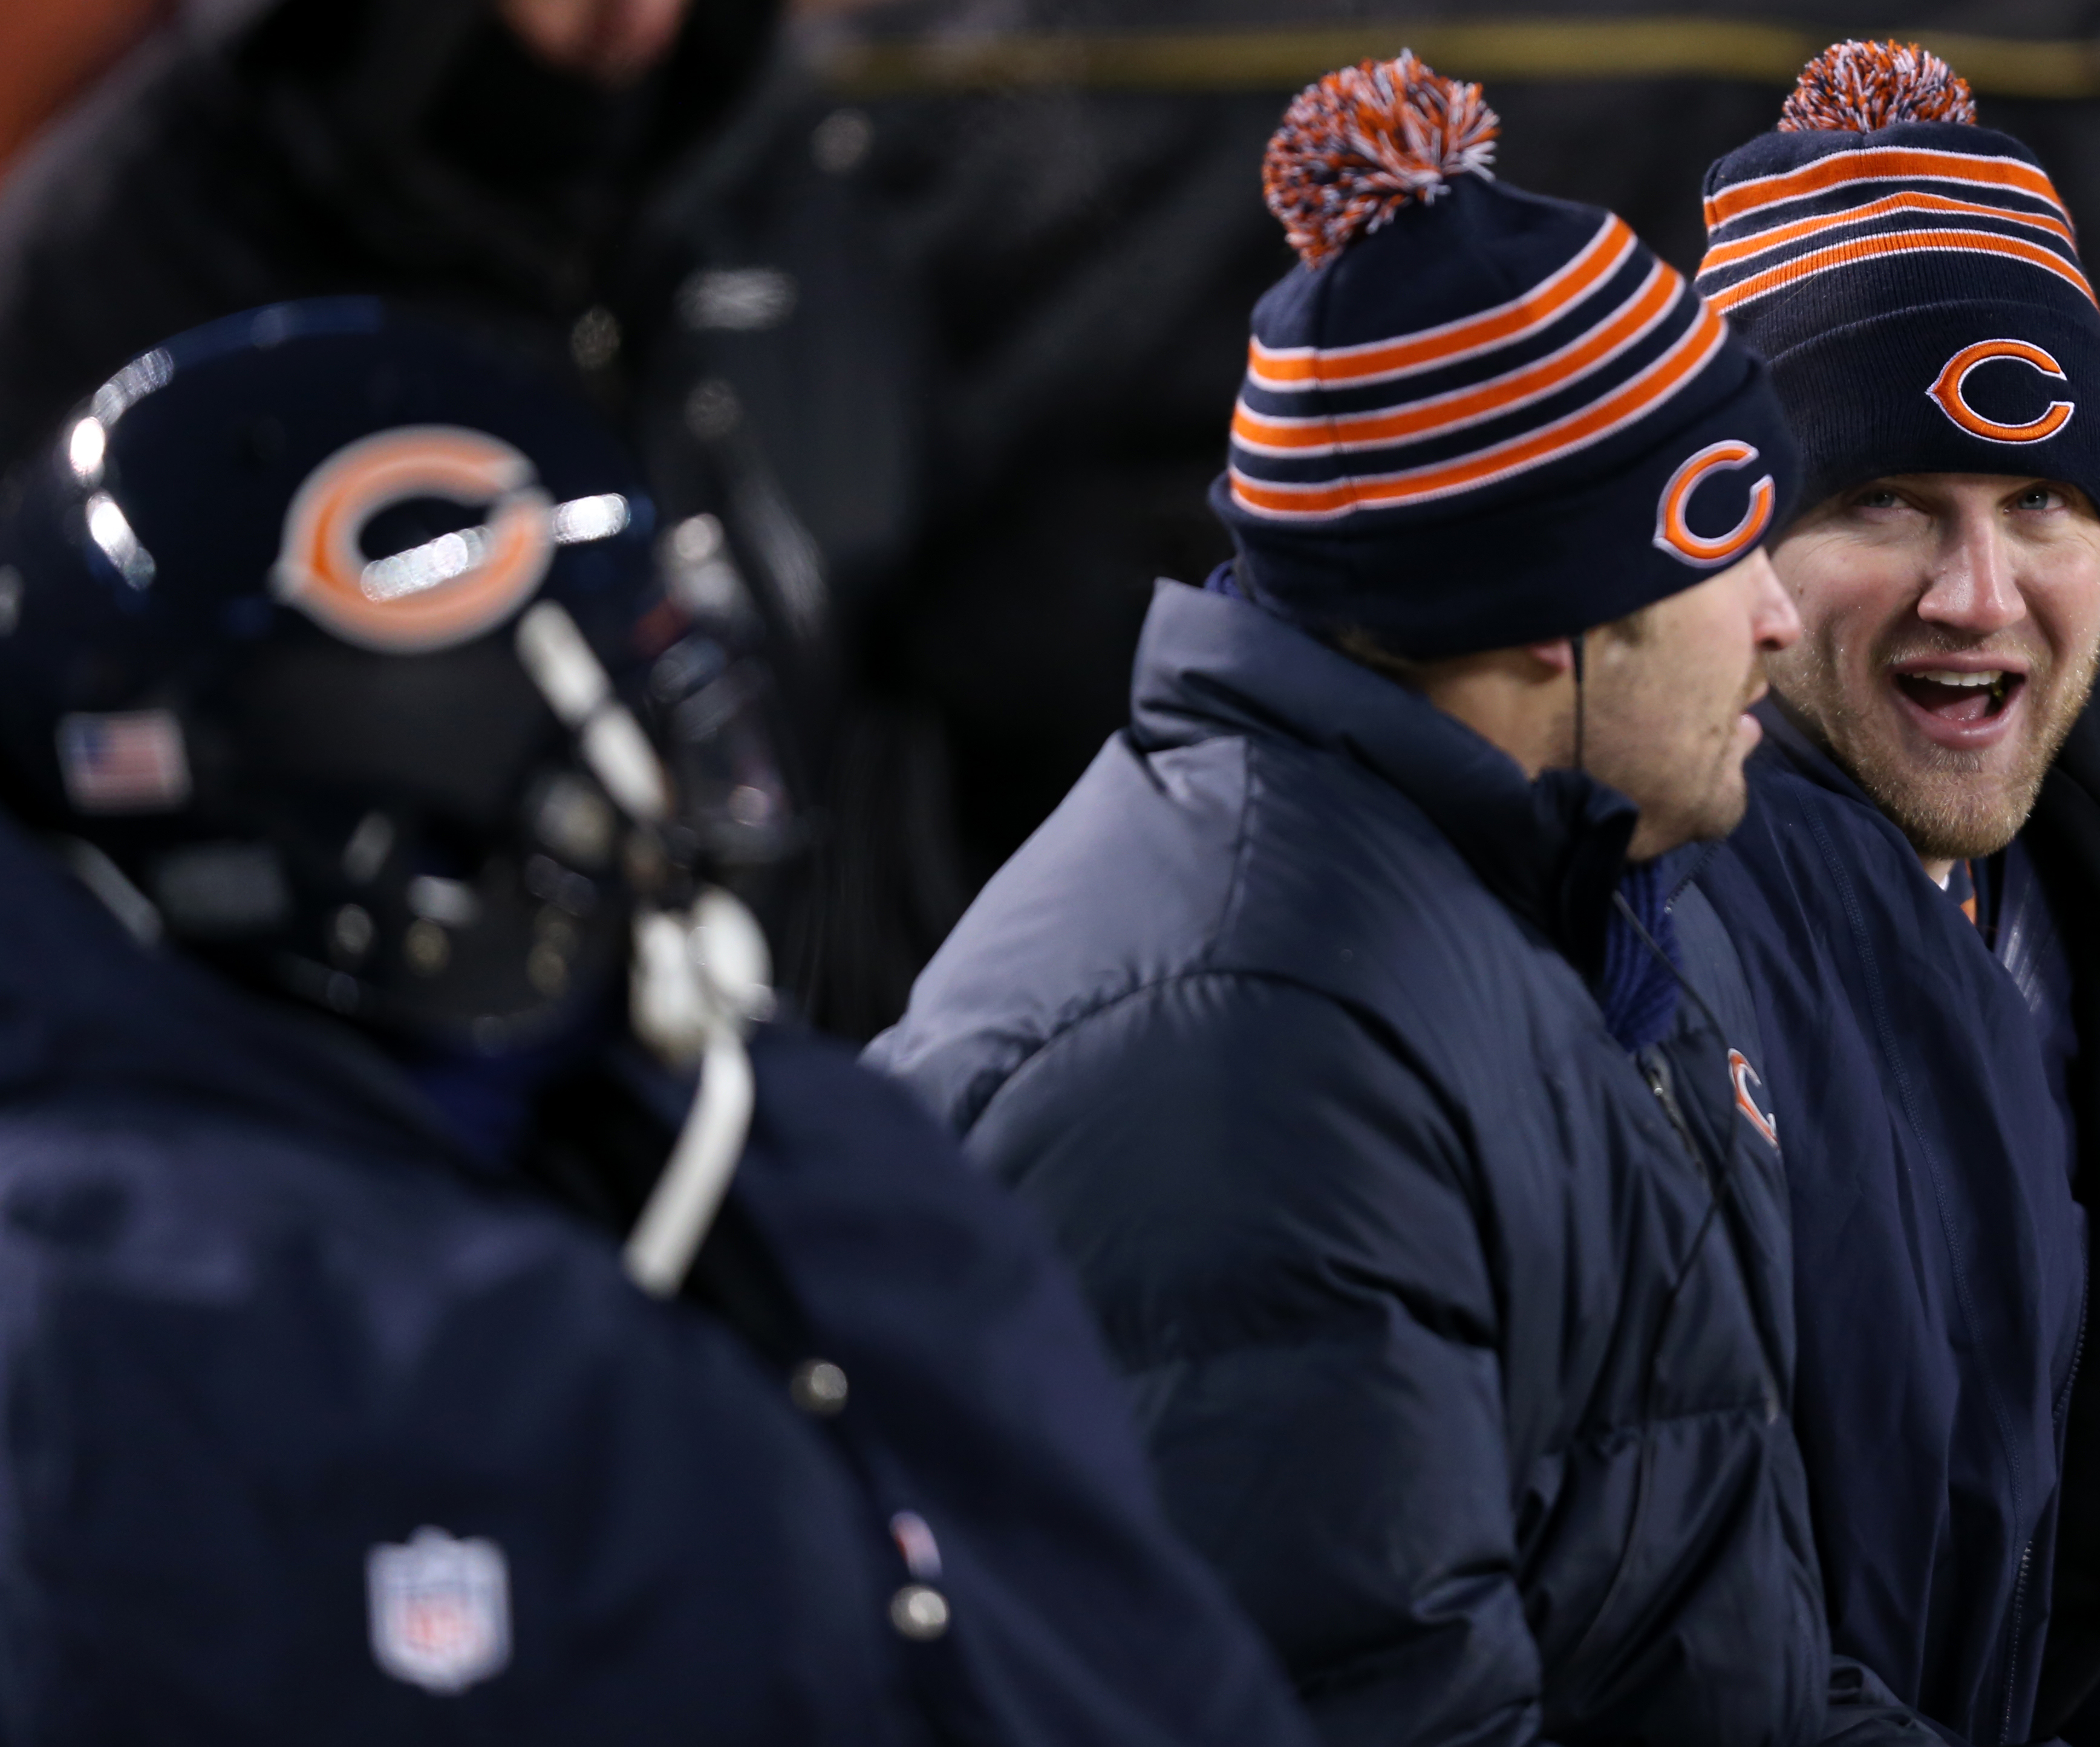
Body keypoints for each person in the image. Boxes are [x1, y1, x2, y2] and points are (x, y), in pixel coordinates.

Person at [0, 300, 1317, 1746]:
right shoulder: (133, 1328)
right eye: (616, 690)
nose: (670, 772)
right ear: (405, 766)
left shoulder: (794, 1146)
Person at [870, 54, 1859, 1747]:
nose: (1779, 616)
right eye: (1724, 541)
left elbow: (1709, 1677)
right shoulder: (1253, 1059)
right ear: (1543, 609)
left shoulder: (1568, 905)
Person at [1628, 41, 2100, 1747]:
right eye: (1883, 503)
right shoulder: (1648, 931)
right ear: (1740, 553)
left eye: (2042, 504)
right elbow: (1686, 1643)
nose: (1980, 592)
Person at [0, 0, 962, 1033]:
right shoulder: (113, 264)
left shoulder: (792, 184)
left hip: (762, 1082)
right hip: (347, 1131)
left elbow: (887, 694)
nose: (637, 10)